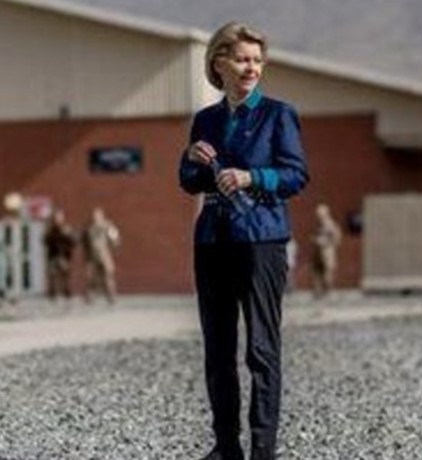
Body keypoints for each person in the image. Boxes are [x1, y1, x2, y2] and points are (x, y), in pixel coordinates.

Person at [178, 22, 309, 460]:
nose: (251, 68)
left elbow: (296, 175)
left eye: (257, 60)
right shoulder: (205, 120)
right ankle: (226, 446)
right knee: (218, 350)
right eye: (241, 59)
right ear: (219, 63)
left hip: (261, 240)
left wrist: (252, 176)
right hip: (211, 241)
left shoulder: (278, 114)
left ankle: (263, 449)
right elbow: (189, 182)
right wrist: (191, 160)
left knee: (260, 349)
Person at [82, 207, 120, 304]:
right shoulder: (89, 228)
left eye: (98, 216)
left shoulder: (107, 226)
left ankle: (111, 296)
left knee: (108, 275)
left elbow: (115, 237)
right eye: (94, 217)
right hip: (93, 256)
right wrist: (86, 256)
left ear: (102, 217)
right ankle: (90, 296)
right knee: (92, 277)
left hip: (104, 255)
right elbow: (85, 243)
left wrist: (115, 242)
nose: (96, 218)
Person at [42, 209, 77, 301]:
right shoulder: (50, 230)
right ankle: (52, 293)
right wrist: (49, 235)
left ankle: (66, 292)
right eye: (56, 218)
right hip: (53, 255)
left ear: (63, 219)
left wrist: (68, 250)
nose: (58, 219)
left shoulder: (66, 229)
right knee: (52, 274)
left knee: (65, 274)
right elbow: (45, 241)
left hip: (63, 255)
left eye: (59, 218)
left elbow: (73, 242)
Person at [311, 203, 342, 299]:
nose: (318, 216)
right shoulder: (318, 225)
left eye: (320, 214)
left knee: (327, 272)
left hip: (327, 251)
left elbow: (337, 238)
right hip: (318, 252)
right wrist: (315, 240)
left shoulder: (330, 224)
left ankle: (328, 291)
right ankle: (319, 291)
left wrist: (325, 242)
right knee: (317, 271)